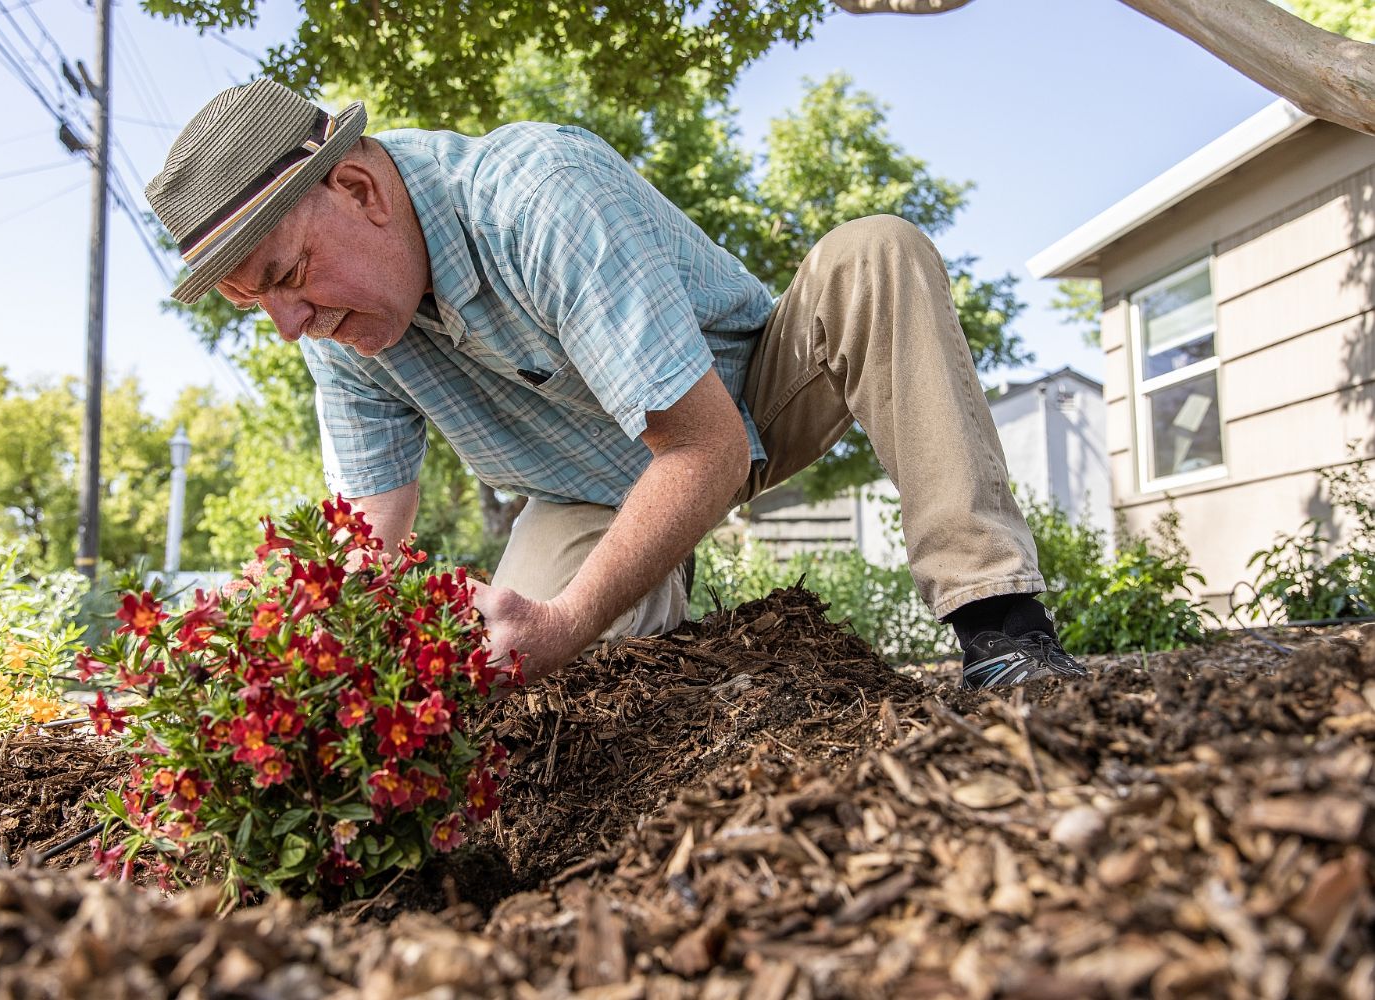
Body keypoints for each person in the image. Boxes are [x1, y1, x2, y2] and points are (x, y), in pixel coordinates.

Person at [145, 78, 1088, 690]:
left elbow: (706, 448)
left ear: (359, 191)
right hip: (586, 492)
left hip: (745, 404)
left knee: (875, 252)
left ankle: (1001, 627)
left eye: (286, 275)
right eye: (253, 304)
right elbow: (364, 548)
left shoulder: (538, 196)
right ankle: (687, 643)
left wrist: (575, 612)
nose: (289, 321)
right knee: (516, 674)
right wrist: (275, 670)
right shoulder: (342, 330)